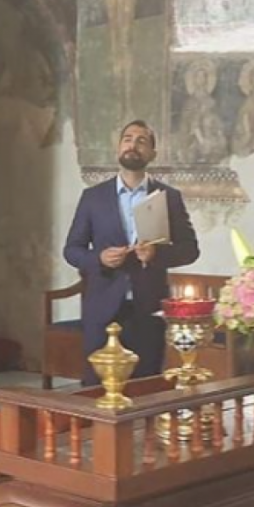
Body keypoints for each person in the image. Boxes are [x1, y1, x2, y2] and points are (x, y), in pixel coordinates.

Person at [64, 120, 199, 384]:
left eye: (141, 141)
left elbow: (190, 250)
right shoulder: (93, 197)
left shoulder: (168, 197)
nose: (133, 145)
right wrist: (99, 258)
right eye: (127, 139)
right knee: (97, 387)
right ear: (118, 148)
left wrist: (156, 255)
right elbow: (72, 250)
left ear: (152, 154)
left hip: (148, 308)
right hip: (102, 307)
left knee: (146, 385)